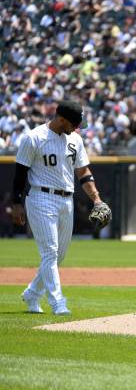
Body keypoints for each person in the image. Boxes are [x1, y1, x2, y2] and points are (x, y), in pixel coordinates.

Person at [11, 99, 107, 315]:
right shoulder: (34, 137)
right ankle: (58, 303)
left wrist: (97, 199)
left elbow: (83, 172)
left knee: (58, 255)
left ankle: (32, 294)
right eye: (74, 124)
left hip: (67, 200)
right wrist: (17, 204)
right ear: (61, 119)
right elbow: (19, 174)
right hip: (41, 197)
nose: (76, 128)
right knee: (50, 252)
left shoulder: (75, 139)